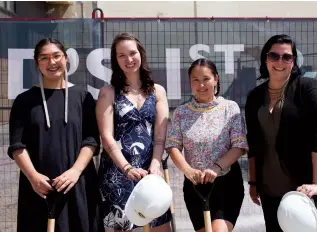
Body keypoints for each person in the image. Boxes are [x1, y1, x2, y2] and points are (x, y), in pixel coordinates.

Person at [7, 38, 102, 232]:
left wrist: (75, 171)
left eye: (56, 56)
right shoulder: (24, 101)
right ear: (37, 63)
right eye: (44, 58)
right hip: (39, 188)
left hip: (78, 184)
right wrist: (33, 177)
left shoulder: (83, 97)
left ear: (66, 59)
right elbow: (17, 145)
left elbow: (91, 140)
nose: (52, 62)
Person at [245, 34, 317, 232]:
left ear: (293, 62)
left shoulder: (307, 88)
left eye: (286, 57)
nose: (280, 61)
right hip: (270, 185)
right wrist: (253, 182)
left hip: (305, 188)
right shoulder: (254, 96)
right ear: (265, 59)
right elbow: (252, 142)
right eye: (274, 56)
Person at [96, 33, 171, 232]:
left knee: (160, 227)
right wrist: (127, 168)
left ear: (141, 54)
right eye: (121, 55)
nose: (129, 59)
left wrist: (155, 163)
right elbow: (106, 137)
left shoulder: (158, 92)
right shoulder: (108, 92)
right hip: (118, 173)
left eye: (132, 53)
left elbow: (160, 135)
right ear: (115, 60)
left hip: (150, 173)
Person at [165, 58, 248, 232]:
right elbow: (173, 147)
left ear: (216, 79)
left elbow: (239, 146)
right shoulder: (181, 113)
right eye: (195, 80)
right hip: (195, 187)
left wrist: (217, 167)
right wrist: (188, 171)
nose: (201, 85)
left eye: (206, 79)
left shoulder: (229, 108)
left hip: (226, 184)